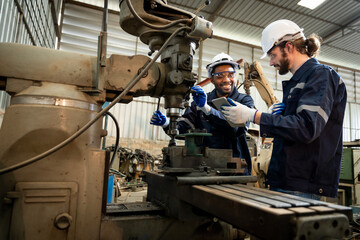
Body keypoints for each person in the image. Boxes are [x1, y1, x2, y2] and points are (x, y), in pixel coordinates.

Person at [221, 19, 347, 199]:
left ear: (288, 47)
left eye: (272, 55)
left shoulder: (321, 75)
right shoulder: (298, 82)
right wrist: (275, 117)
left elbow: (306, 128)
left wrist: (255, 116)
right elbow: (292, 130)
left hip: (302, 185)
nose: (271, 63)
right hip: (287, 180)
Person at [150, 53, 255, 174]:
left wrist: (207, 109)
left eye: (231, 75)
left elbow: (236, 129)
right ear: (212, 79)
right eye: (220, 76)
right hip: (206, 169)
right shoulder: (200, 101)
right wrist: (167, 123)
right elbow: (184, 128)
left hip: (236, 170)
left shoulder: (244, 101)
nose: (226, 80)